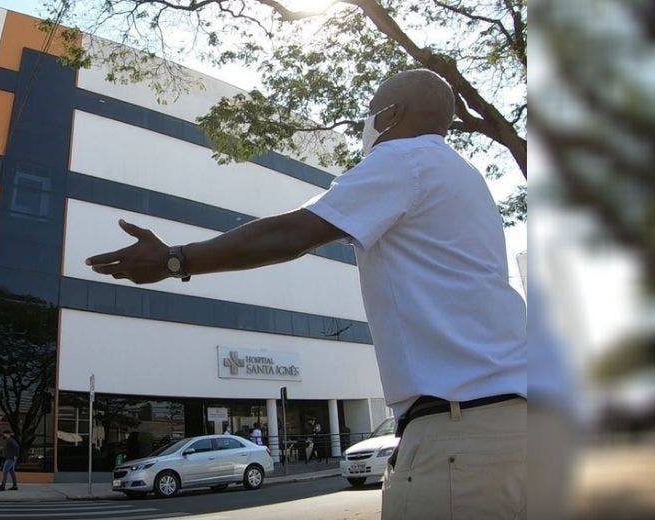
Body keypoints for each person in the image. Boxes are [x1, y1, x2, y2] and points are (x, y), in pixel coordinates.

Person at [85, 69, 526, 519]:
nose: (368, 126)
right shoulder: (466, 177)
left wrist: (174, 260)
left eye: (371, 114)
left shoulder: (405, 160)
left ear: (391, 114)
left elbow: (293, 232)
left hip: (458, 437)